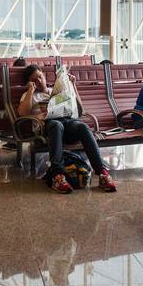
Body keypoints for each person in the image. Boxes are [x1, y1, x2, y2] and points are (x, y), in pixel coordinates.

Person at [17, 64, 116, 194]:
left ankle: (102, 172)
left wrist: (73, 86)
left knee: (83, 126)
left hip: (67, 123)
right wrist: (30, 90)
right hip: (47, 127)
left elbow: (80, 110)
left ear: (44, 75)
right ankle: (57, 175)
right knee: (56, 125)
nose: (39, 81)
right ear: (29, 82)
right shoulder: (29, 95)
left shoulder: (57, 90)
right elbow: (22, 113)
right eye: (34, 80)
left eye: (40, 77)